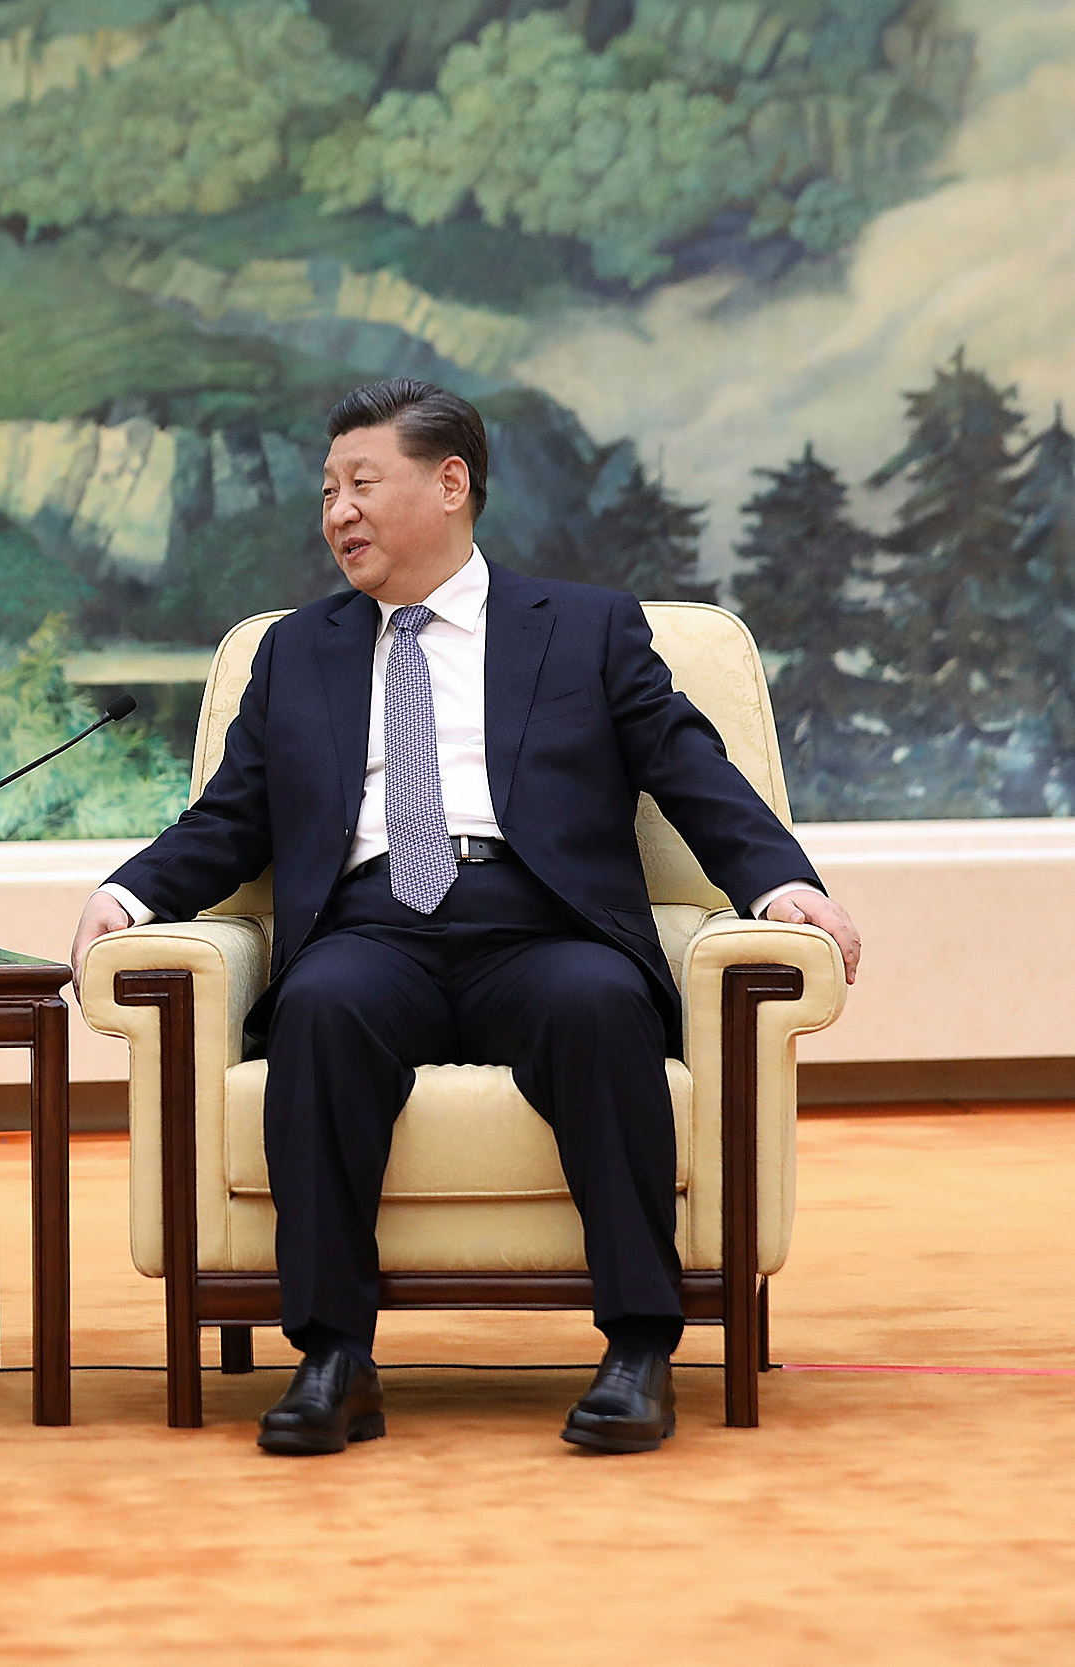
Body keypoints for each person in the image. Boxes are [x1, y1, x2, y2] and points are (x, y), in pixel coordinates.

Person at [72, 381, 863, 1457]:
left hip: (539, 925)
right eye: (326, 491)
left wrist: (781, 883)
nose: (335, 512)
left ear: (450, 484)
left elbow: (687, 766)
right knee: (320, 1010)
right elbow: (229, 818)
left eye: (361, 483)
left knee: (596, 1005)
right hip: (368, 927)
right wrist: (123, 896)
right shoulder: (296, 651)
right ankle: (334, 1357)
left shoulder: (585, 628)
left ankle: (638, 1347)